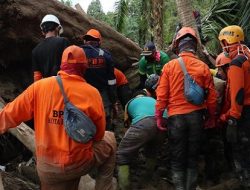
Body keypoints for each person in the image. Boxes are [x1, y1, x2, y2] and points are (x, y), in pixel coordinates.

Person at [0, 45, 116, 190]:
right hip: (77, 164)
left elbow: (9, 114)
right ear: (84, 67)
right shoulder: (93, 93)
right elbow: (98, 136)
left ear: (61, 65)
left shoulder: (39, 87)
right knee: (110, 139)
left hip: (47, 167)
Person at [155, 27, 217, 190]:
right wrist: (211, 118)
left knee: (177, 156)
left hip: (176, 119)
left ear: (178, 45)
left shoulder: (169, 66)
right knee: (192, 156)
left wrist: (159, 117)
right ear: (194, 46)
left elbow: (161, 96)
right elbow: (211, 98)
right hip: (197, 117)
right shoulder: (203, 67)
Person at [117, 74, 167, 190]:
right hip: (164, 119)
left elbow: (128, 128)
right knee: (152, 151)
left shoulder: (129, 104)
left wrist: (132, 150)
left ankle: (124, 186)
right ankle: (146, 181)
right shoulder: (155, 100)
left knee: (123, 154)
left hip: (144, 122)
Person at [218, 25, 250, 188]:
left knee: (240, 147)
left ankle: (244, 180)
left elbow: (238, 94)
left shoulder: (237, 63)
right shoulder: (247, 56)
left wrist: (232, 119)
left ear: (227, 41)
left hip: (243, 113)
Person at [81, 29, 118, 131]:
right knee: (104, 119)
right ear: (99, 41)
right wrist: (113, 100)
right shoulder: (106, 55)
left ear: (85, 41)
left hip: (81, 95)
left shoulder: (77, 52)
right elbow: (111, 80)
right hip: (102, 95)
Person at [32, 14, 70, 81]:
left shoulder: (35, 50)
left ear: (43, 31)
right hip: (62, 86)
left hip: (46, 88)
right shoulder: (63, 42)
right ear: (57, 28)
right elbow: (69, 66)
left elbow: (37, 76)